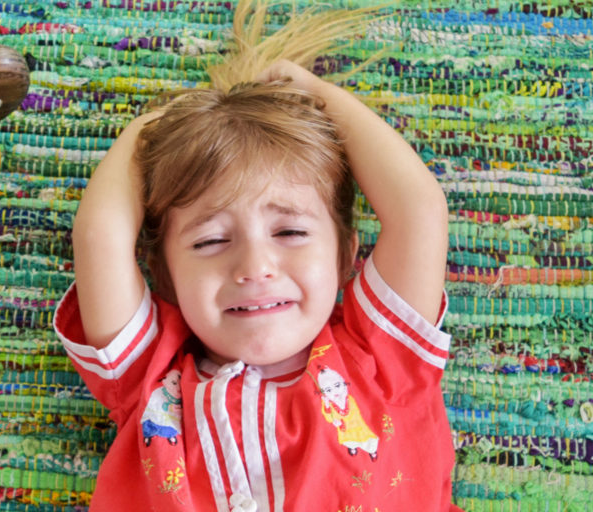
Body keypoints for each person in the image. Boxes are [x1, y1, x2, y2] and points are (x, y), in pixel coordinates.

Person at [53, 3, 460, 511]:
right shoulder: (148, 379)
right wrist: (150, 131)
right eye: (210, 242)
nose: (254, 268)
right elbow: (100, 235)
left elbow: (419, 210)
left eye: (289, 231)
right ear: (165, 277)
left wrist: (319, 95)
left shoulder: (382, 361)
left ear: (344, 259)